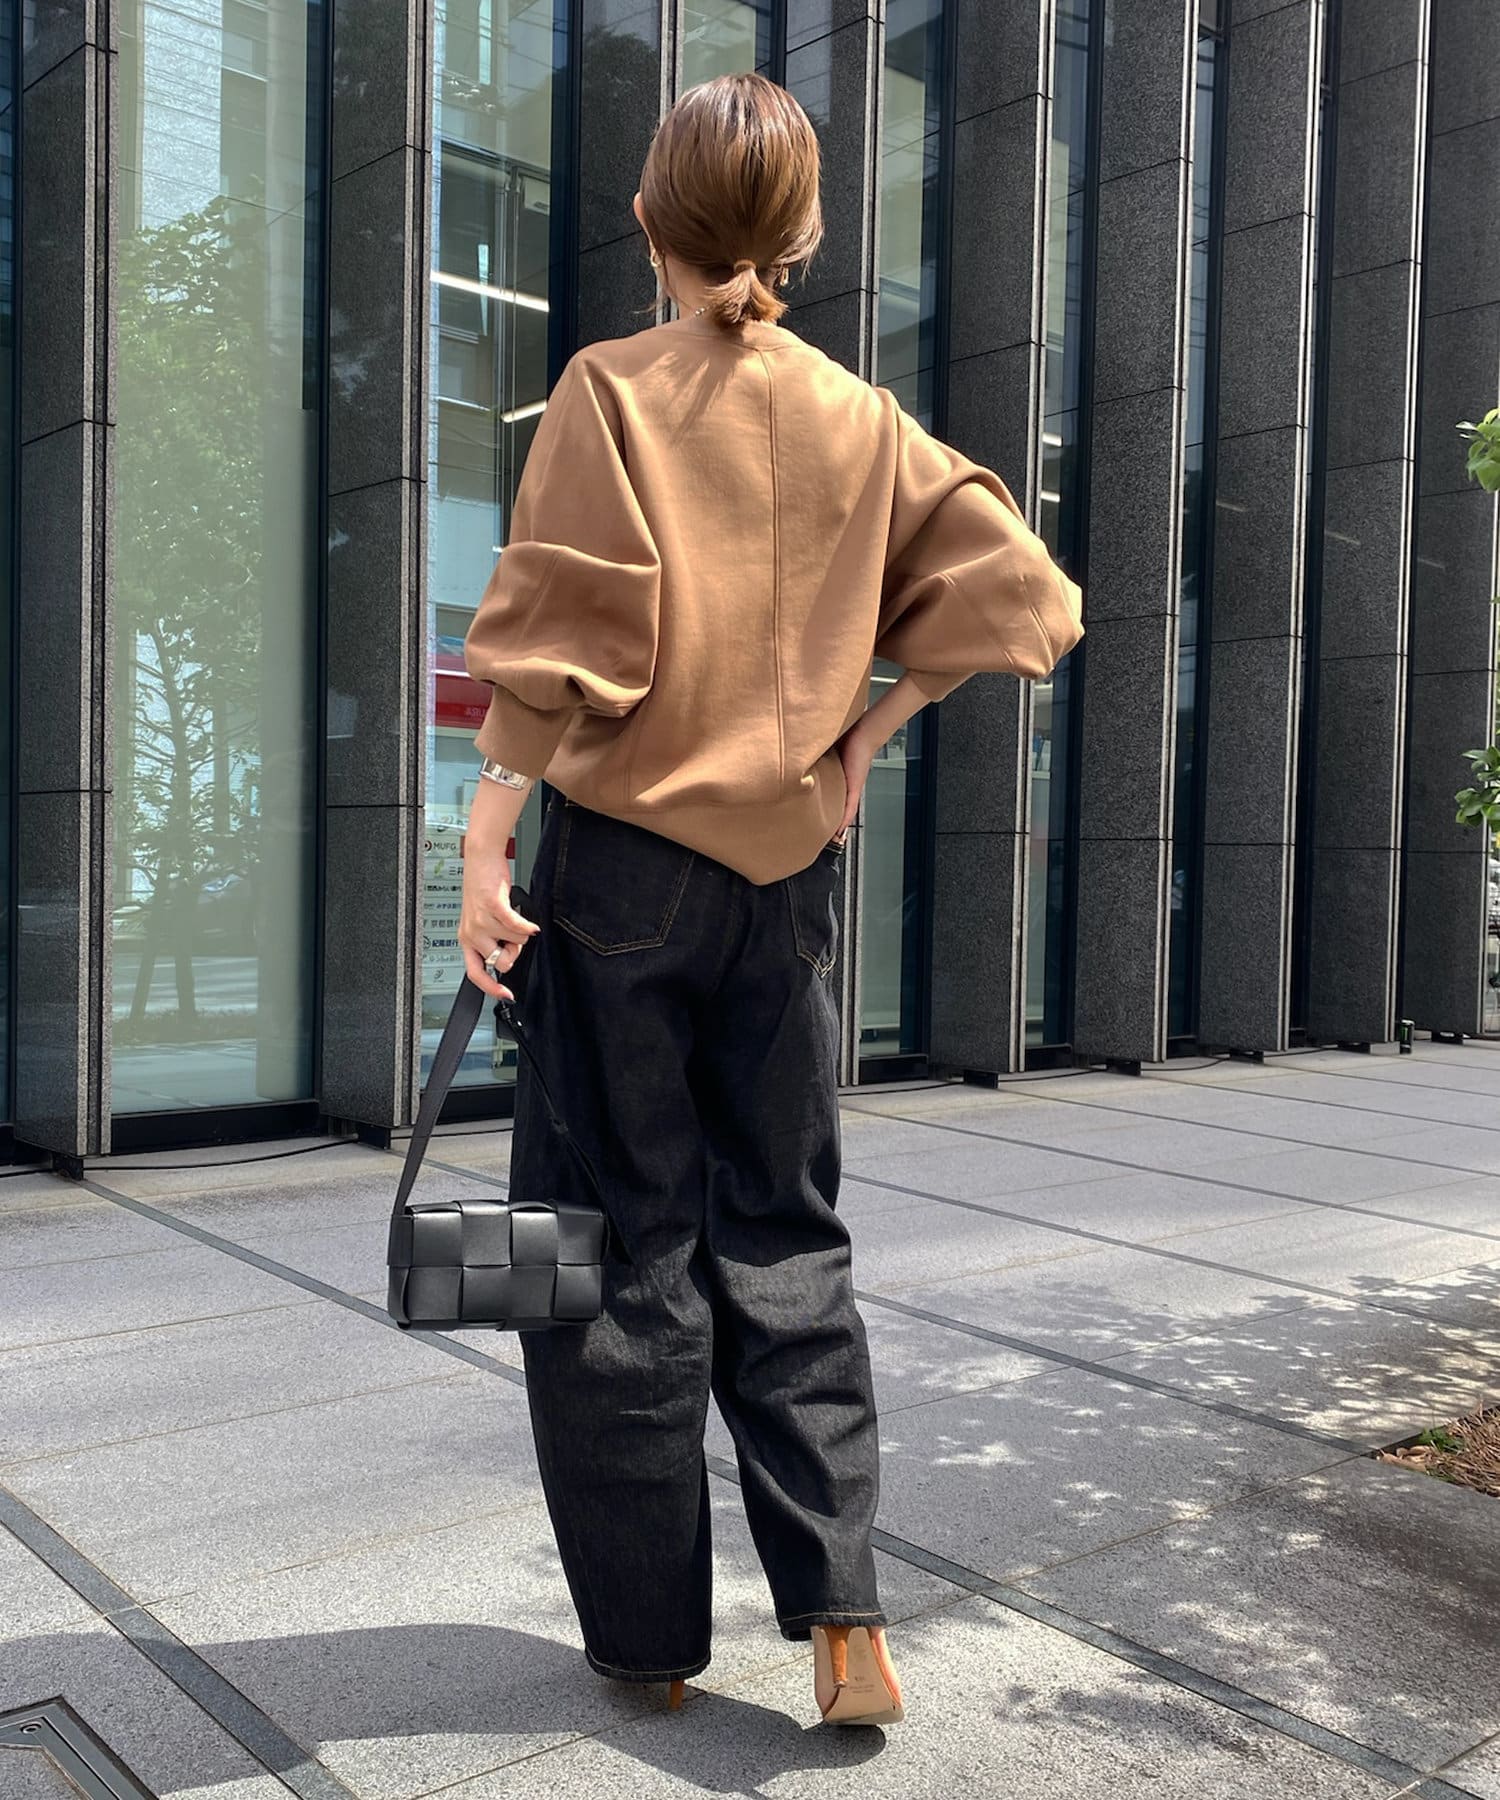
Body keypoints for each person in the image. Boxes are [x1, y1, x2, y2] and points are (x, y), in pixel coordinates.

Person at [456, 71, 1084, 1727]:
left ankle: (651, 1647)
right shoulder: (861, 416)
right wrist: (865, 734)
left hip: (617, 879)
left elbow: (559, 643)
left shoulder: (612, 389)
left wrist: (482, 849)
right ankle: (845, 1621)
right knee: (789, 1236)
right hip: (784, 891)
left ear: (648, 221)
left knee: (604, 1247)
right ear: (800, 239)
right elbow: (1027, 591)